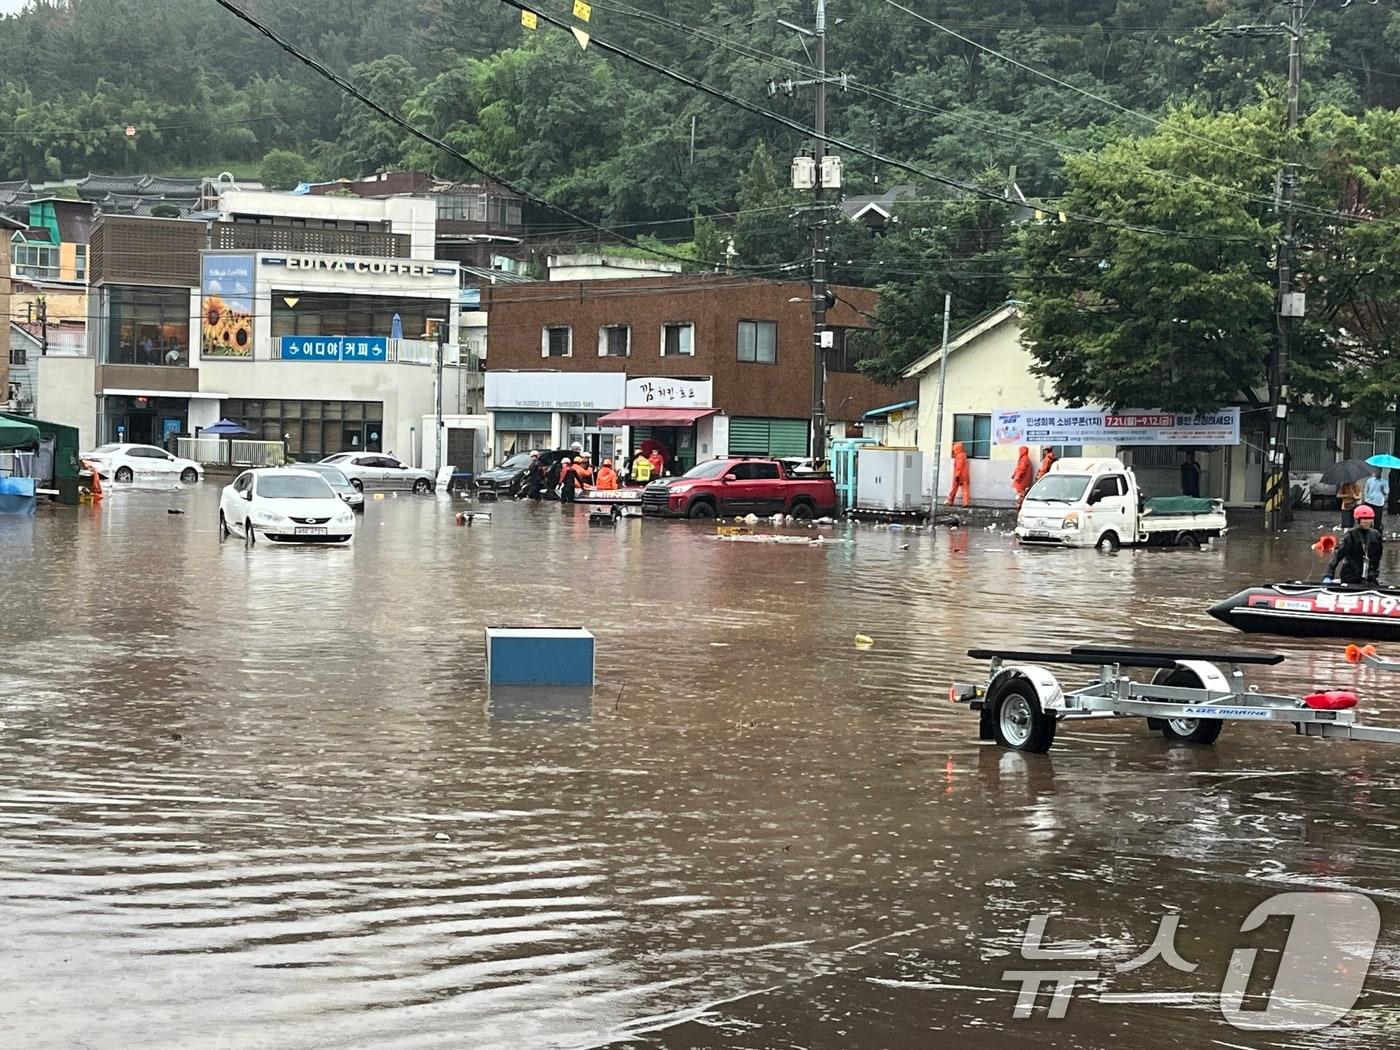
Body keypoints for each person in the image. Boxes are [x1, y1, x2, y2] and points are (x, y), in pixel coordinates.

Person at [1325, 504, 1383, 586]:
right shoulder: (1351, 534)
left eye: (1370, 519)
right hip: (1351, 575)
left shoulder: (1376, 535)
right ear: (1358, 520)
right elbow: (1338, 556)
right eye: (1364, 519)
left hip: (1369, 576)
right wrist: (1328, 575)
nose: (1367, 521)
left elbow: (1377, 557)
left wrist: (1373, 572)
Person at [1364, 467, 1389, 533]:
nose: (1377, 473)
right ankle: (1367, 532)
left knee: (1377, 519)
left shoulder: (1384, 482)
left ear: (1381, 472)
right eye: (1376, 471)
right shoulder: (1370, 480)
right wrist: (1366, 498)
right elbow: (1366, 490)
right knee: (1367, 518)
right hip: (1369, 501)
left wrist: (1383, 489)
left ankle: (1377, 534)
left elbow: (1386, 492)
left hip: (1378, 502)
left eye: (1379, 471)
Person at [947, 441, 970, 507]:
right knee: (965, 489)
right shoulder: (964, 455)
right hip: (965, 475)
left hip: (959, 475)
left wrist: (957, 476)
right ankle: (965, 503)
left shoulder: (959, 456)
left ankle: (950, 501)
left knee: (954, 488)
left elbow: (959, 467)